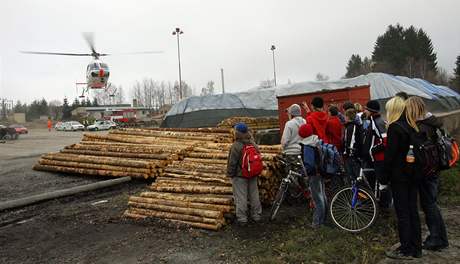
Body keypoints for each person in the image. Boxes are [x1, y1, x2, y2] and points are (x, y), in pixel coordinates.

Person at [407, 96, 449, 251]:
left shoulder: (421, 127)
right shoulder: (432, 122)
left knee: (429, 205)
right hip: (434, 168)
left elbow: (419, 151)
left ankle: (436, 238)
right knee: (431, 203)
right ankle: (440, 238)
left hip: (426, 171)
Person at [383, 96, 422, 259]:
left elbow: (390, 156)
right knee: (413, 210)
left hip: (399, 177)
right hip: (412, 175)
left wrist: (383, 177)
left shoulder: (394, 128)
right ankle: (416, 247)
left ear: (392, 110)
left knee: (403, 213)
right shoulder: (411, 125)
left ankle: (406, 248)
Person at [227, 122, 262, 226]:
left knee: (241, 197)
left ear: (237, 133)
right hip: (253, 174)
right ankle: (257, 215)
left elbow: (232, 163)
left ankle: (242, 219)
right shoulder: (252, 143)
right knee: (254, 195)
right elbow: (258, 156)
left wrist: (230, 175)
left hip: (240, 176)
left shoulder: (236, 146)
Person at [361, 99, 392, 208]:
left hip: (380, 159)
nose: (364, 111)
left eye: (366, 109)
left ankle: (385, 209)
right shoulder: (375, 120)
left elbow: (385, 141)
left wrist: (371, 151)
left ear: (370, 111)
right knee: (381, 184)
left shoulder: (376, 122)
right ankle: (384, 207)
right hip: (377, 159)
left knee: (383, 185)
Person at [298, 123, 327, 228]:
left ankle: (317, 222)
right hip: (320, 172)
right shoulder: (315, 141)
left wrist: (304, 172)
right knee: (322, 196)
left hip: (314, 174)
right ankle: (324, 218)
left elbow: (309, 164)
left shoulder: (308, 146)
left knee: (317, 198)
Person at [281, 104, 306, 172]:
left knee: (291, 174)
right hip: (303, 152)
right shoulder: (305, 122)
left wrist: (282, 148)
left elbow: (285, 140)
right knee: (301, 173)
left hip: (291, 153)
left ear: (291, 114)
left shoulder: (289, 123)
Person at [342, 108, 363, 180]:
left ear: (348, 117)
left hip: (352, 156)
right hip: (355, 155)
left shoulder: (350, 127)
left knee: (353, 176)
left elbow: (350, 141)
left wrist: (347, 153)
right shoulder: (355, 126)